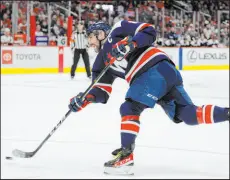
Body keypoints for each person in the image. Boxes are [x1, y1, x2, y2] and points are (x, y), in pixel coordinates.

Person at [68, 20, 229, 175]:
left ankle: (126, 156)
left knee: (129, 108)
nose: (89, 43)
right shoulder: (99, 64)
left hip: (151, 69)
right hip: (165, 73)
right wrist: (85, 99)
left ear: (101, 34)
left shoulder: (118, 29)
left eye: (90, 37)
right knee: (189, 115)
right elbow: (101, 91)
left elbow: (149, 30)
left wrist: (131, 44)